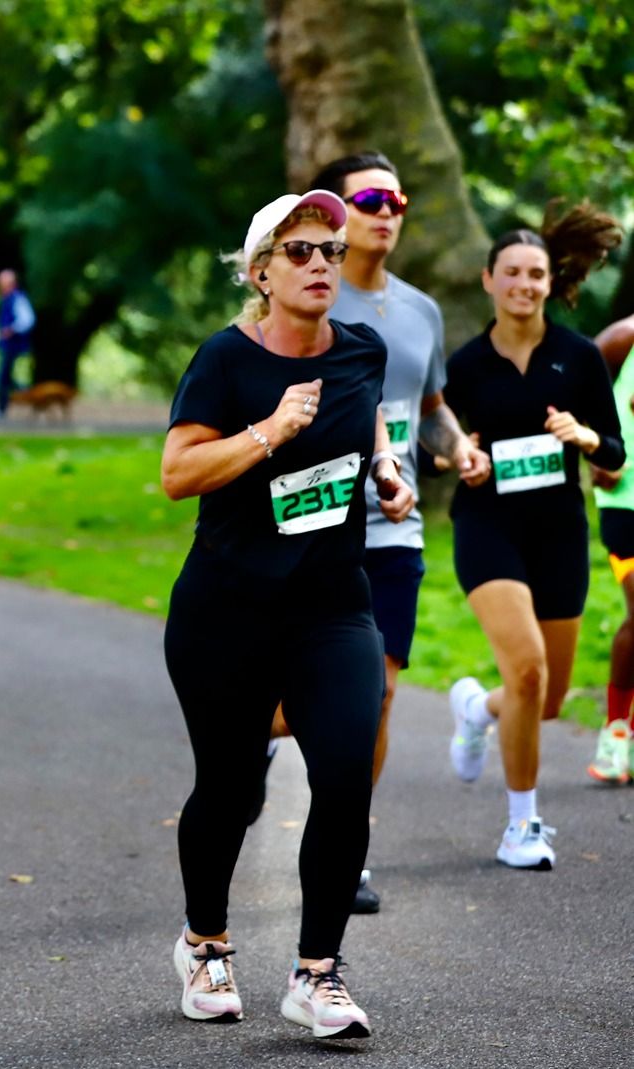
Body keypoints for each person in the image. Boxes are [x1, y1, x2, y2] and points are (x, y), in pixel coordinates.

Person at [161, 190, 412, 1040]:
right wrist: (267, 432)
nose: (319, 266)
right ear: (260, 270)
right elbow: (178, 473)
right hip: (226, 609)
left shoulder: (363, 351)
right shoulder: (226, 360)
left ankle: (317, 972)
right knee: (231, 791)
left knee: (344, 773)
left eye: (330, 252)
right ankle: (205, 943)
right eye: (299, 251)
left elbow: (365, 416)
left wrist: (385, 468)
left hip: (332, 605)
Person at [250, 152, 491, 914]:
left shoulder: (420, 310)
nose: (386, 211)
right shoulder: (306, 293)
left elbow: (429, 408)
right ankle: (255, 732)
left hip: (395, 527)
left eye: (397, 199)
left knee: (376, 693)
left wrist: (459, 449)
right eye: (370, 198)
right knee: (292, 692)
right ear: (334, 216)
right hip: (308, 524)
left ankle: (345, 843)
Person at [443, 205, 625, 868]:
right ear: (490, 280)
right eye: (512, 272)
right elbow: (438, 440)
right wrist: (459, 455)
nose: (524, 283)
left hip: (558, 532)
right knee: (526, 667)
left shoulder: (577, 357)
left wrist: (584, 437)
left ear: (551, 282)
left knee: (542, 699)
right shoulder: (463, 364)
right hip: (487, 526)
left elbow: (616, 451)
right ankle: (522, 826)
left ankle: (475, 709)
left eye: (536, 274)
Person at [589, 312, 634, 782]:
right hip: (627, 502)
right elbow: (578, 382)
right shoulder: (624, 337)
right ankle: (615, 731)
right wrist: (596, 450)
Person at [0, 268, 34, 420]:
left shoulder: (17, 298)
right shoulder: (7, 299)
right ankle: (24, 391)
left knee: (2, 377)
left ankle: (2, 409)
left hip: (14, 346)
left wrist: (12, 330)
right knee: (4, 377)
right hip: (7, 345)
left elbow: (27, 320)